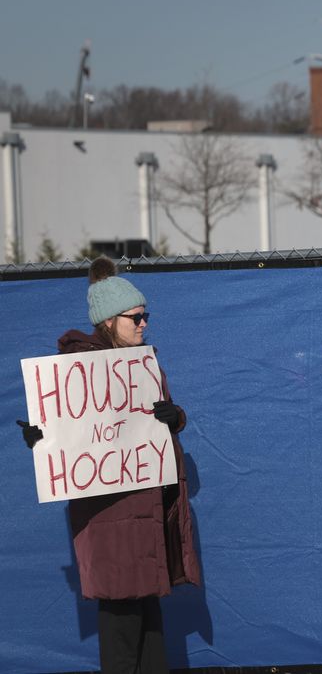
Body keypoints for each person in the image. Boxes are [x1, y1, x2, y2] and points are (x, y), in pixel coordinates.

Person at [17, 257, 201, 674]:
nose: (144, 324)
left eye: (145, 316)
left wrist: (177, 417)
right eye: (135, 317)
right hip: (109, 517)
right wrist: (39, 437)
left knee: (151, 622)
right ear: (108, 321)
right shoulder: (75, 370)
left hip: (148, 509)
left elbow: (161, 414)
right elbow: (60, 431)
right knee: (121, 623)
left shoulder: (142, 364)